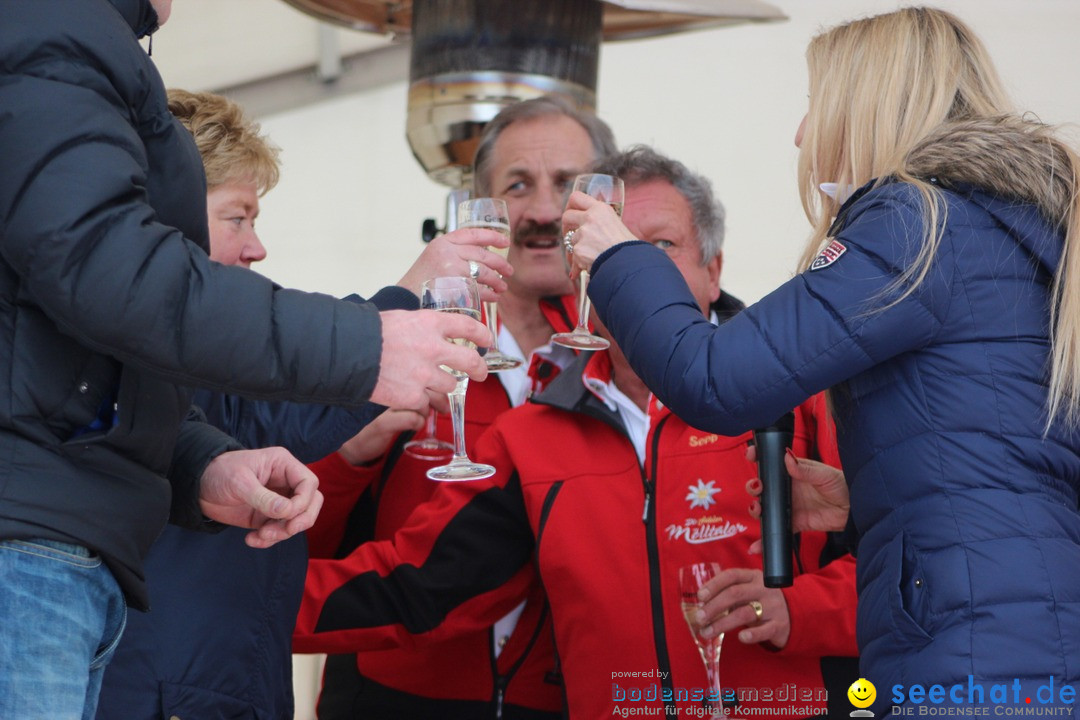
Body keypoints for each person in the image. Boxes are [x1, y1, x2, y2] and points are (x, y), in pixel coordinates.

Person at [565, 7, 1080, 713]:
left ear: (867, 104)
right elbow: (1021, 453)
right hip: (1022, 631)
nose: (803, 134)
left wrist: (621, 256)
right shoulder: (1007, 227)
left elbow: (717, 381)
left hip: (976, 653)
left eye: (816, 105)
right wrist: (874, 500)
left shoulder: (918, 223)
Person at [0, 2, 498, 717]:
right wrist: (392, 313)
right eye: (238, 215)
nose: (258, 247)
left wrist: (204, 465)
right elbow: (249, 399)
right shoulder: (52, 33)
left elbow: (140, 403)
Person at [294, 145, 859, 719]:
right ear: (581, 277)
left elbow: (927, 563)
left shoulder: (803, 396)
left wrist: (803, 610)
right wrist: (237, 597)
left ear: (713, 272)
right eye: (611, 249)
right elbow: (419, 589)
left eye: (659, 246)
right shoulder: (531, 435)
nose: (634, 269)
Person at [303, 95, 617, 719]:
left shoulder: (625, 357)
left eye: (567, 185)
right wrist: (348, 460)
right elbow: (302, 540)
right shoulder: (400, 339)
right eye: (519, 185)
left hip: (560, 699)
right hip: (392, 699)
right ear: (481, 208)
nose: (546, 211)